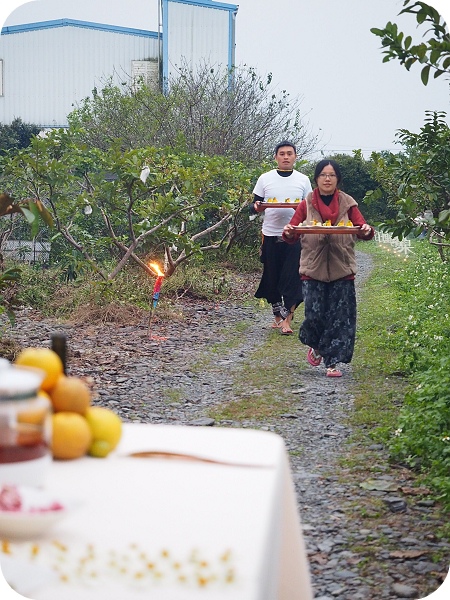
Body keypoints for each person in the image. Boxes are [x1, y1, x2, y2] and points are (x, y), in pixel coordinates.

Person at [282, 159, 374, 377]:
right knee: (314, 315)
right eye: (323, 174)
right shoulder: (306, 203)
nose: (327, 179)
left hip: (342, 268)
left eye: (331, 175)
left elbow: (363, 229)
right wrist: (288, 232)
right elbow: (292, 232)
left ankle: (332, 362)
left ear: (337, 179)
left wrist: (367, 231)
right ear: (316, 178)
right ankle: (317, 345)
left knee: (341, 317)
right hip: (312, 269)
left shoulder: (348, 203)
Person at [251, 141, 312, 334]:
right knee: (272, 277)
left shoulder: (303, 179)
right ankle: (277, 316)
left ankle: (287, 320)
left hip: (295, 235)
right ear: (276, 157)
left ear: (295, 157)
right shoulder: (265, 178)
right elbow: (255, 204)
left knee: (292, 277)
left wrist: (299, 209)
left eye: (289, 154)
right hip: (270, 233)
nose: (286, 157)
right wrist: (258, 206)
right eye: (282, 154)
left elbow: (310, 206)